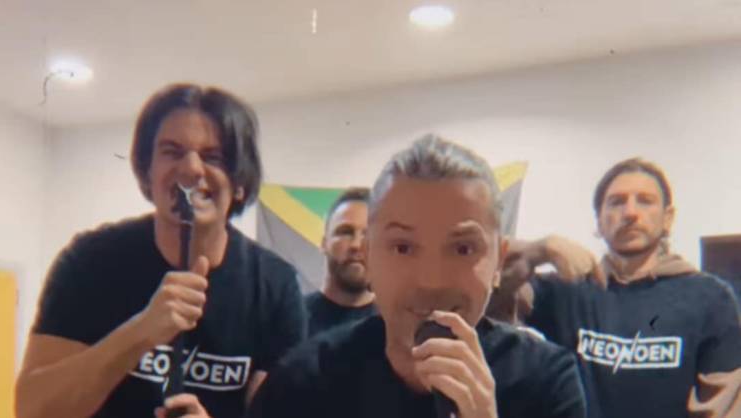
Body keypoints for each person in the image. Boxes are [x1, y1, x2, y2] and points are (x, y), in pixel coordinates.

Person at [15, 84, 307, 418]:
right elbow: (32, 411)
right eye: (172, 151)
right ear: (147, 171)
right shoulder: (89, 262)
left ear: (239, 182)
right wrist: (141, 331)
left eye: (213, 157)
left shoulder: (275, 286)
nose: (191, 168)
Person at [251, 135, 587, 418]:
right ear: (368, 257)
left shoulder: (546, 381)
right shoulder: (303, 381)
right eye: (403, 247)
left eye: (463, 249)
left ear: (498, 260)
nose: (431, 281)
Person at [502, 158, 741, 418]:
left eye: (645, 201)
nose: (630, 213)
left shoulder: (710, 298)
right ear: (599, 220)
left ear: (667, 218)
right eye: (617, 202)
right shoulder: (568, 291)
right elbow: (486, 289)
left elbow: (725, 406)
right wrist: (538, 250)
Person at [304, 187, 377, 336]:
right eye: (345, 232)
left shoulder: (399, 328)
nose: (356, 245)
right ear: (324, 243)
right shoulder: (290, 320)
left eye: (368, 235)